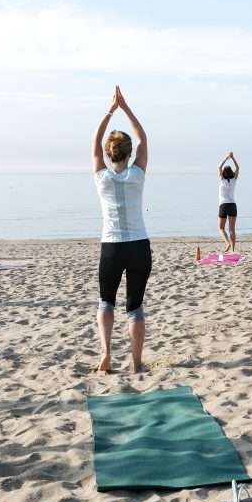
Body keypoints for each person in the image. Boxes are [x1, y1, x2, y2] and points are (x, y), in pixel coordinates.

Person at [92, 86, 150, 373]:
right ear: (128, 154)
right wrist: (125, 108)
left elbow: (94, 143)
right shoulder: (137, 174)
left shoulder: (102, 177)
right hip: (138, 245)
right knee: (135, 306)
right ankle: (136, 363)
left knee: (106, 301)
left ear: (108, 153)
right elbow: (142, 138)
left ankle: (106, 353)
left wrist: (109, 110)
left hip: (111, 246)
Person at [217, 152, 240, 252]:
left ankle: (227, 243)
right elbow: (238, 168)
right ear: (231, 173)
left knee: (221, 228)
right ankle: (233, 250)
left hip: (223, 205)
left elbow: (219, 167)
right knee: (232, 229)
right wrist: (233, 158)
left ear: (223, 173)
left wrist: (226, 158)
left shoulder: (222, 180)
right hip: (232, 205)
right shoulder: (234, 180)